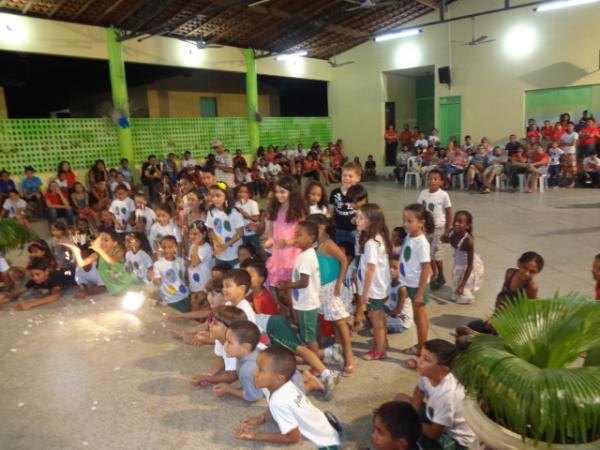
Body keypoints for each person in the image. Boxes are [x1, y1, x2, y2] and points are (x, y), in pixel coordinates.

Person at [233, 346, 341, 448]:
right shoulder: (285, 385)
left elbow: (293, 438)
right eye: (257, 367)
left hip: (327, 442)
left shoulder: (278, 402)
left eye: (261, 370)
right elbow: (274, 406)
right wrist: (261, 419)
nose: (254, 373)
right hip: (321, 421)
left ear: (279, 378)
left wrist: (255, 436)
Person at [395, 339, 476, 450]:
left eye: (426, 359)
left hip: (453, 439)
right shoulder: (429, 373)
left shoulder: (446, 395)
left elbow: (434, 434)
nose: (419, 361)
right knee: (400, 399)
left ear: (443, 370)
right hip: (436, 417)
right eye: (420, 356)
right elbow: (420, 389)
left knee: (403, 437)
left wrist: (409, 422)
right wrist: (412, 413)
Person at [308, 214, 356, 375]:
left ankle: (350, 357)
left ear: (322, 226)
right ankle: (336, 351)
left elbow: (343, 260)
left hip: (331, 287)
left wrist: (339, 282)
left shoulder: (328, 244)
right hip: (321, 288)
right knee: (333, 322)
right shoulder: (317, 244)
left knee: (340, 322)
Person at [456, 251, 543, 339]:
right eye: (525, 268)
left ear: (537, 272)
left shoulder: (532, 287)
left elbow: (526, 312)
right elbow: (502, 297)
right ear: (518, 263)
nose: (526, 273)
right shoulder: (510, 273)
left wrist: (502, 324)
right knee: (468, 327)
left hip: (513, 322)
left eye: (532, 271)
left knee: (466, 336)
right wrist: (495, 317)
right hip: (500, 315)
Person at [276, 220, 321, 356]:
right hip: (306, 302)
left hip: (307, 304)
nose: (295, 238)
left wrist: (287, 285)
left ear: (311, 238)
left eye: (299, 235)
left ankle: (317, 364)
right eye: (295, 235)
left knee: (309, 337)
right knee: (309, 333)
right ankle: (315, 355)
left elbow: (304, 282)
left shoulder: (306, 257)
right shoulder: (305, 254)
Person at [265, 175, 305, 320]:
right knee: (279, 290)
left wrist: (288, 242)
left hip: (292, 256)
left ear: (291, 192)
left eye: (283, 192)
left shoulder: (299, 212)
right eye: (277, 192)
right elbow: (271, 231)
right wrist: (269, 240)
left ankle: (297, 319)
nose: (279, 195)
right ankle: (286, 315)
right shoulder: (275, 209)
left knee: (289, 292)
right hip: (278, 256)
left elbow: (304, 237)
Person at [399, 204, 434, 370]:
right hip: (410, 282)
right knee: (419, 317)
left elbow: (426, 267)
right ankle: (421, 345)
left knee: (420, 319)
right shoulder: (409, 236)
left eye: (410, 221)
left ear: (421, 222)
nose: (405, 224)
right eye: (404, 220)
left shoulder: (422, 242)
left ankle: (421, 353)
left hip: (418, 285)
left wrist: (420, 292)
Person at [355, 203, 392, 361]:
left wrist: (364, 293)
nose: (357, 220)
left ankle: (379, 350)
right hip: (381, 287)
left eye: (361, 218)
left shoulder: (371, 243)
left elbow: (371, 269)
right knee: (380, 316)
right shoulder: (378, 237)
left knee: (375, 318)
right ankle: (383, 341)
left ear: (372, 221)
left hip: (373, 289)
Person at [190, 305, 247, 387]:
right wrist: (210, 373)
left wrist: (207, 378)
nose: (210, 325)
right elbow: (221, 357)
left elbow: (232, 376)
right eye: (211, 321)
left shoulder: (234, 347)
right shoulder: (221, 339)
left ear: (229, 329)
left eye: (215, 323)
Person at [66, 231, 136, 296]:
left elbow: (112, 261)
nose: (102, 242)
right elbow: (81, 264)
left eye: (106, 240)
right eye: (101, 240)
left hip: (129, 286)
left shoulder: (119, 251)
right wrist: (76, 251)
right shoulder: (97, 254)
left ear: (114, 243)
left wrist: (99, 249)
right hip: (115, 292)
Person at [417, 169, 452, 290]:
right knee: (428, 253)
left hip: (439, 228)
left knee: (436, 254)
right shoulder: (423, 193)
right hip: (426, 228)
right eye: (430, 178)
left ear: (441, 182)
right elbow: (419, 209)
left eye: (435, 179)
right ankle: (435, 273)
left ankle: (441, 274)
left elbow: (448, 212)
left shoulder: (443, 195)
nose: (431, 181)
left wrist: (447, 229)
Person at [0, 256, 75, 310]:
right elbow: (18, 293)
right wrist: (5, 299)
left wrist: (31, 304)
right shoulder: (34, 280)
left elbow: (55, 296)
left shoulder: (54, 277)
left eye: (37, 274)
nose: (35, 277)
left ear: (47, 271)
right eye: (32, 275)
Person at [441, 211, 483, 304]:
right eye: (455, 221)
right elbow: (445, 240)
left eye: (460, 222)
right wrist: (445, 235)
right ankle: (461, 291)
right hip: (458, 265)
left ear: (467, 226)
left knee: (461, 291)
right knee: (454, 297)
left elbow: (470, 265)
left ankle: (468, 295)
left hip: (468, 267)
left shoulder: (468, 241)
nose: (456, 223)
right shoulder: (452, 232)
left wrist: (462, 285)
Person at [206, 182, 244, 266]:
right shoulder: (211, 212)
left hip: (234, 254)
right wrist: (215, 242)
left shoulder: (234, 212)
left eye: (218, 195)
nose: (215, 199)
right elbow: (210, 229)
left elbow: (240, 233)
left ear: (226, 196)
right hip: (220, 255)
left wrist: (225, 246)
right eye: (212, 196)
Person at [149, 235, 190, 312]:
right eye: (164, 247)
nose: (167, 250)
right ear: (160, 248)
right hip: (169, 299)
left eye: (170, 247)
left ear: (176, 247)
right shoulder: (158, 264)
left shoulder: (181, 261)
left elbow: (186, 277)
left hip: (184, 296)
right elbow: (158, 282)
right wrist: (153, 279)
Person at [329, 162, 361, 246]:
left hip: (355, 230)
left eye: (350, 176)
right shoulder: (334, 192)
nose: (346, 178)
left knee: (355, 252)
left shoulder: (360, 194)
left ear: (358, 178)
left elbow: (363, 211)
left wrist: (357, 219)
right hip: (338, 229)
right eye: (344, 175)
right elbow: (330, 211)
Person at [186, 222, 213, 310]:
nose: (192, 236)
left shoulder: (206, 247)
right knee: (195, 306)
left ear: (204, 234)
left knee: (199, 307)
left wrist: (196, 245)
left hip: (203, 284)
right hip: (194, 283)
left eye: (195, 234)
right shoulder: (193, 246)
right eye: (190, 234)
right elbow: (189, 263)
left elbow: (194, 263)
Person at [385, 255, 414, 334]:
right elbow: (386, 297)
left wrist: (385, 315)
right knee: (375, 310)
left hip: (402, 320)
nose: (391, 270)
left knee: (379, 321)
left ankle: (384, 328)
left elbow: (399, 309)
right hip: (393, 313)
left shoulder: (402, 288)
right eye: (390, 267)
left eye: (395, 268)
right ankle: (385, 326)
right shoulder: (391, 282)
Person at [235, 184, 261, 251]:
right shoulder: (236, 204)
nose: (242, 194)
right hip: (242, 234)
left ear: (249, 194)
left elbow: (256, 219)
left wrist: (246, 215)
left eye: (245, 192)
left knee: (257, 250)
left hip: (252, 233)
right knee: (246, 250)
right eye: (240, 191)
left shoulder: (253, 203)